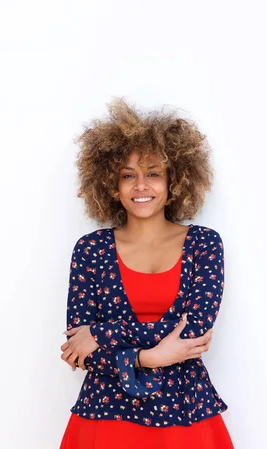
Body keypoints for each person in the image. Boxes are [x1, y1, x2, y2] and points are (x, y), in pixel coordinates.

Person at [58, 98, 234, 449]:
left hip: (185, 412)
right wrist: (148, 357)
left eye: (153, 173)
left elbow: (195, 329)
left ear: (175, 181)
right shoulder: (91, 250)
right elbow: (79, 348)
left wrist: (102, 333)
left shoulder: (203, 244)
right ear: (111, 185)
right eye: (128, 175)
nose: (141, 186)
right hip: (106, 414)